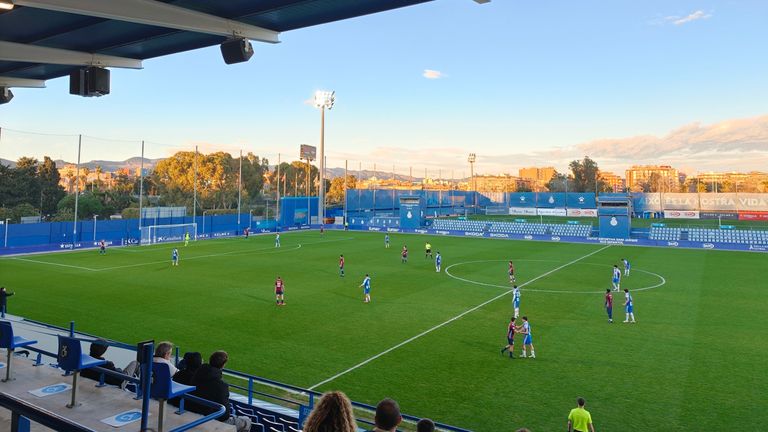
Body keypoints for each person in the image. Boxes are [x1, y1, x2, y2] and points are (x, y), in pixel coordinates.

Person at [189, 351, 252, 432]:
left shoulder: (197, 374)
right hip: (211, 417)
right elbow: (225, 416)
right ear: (223, 365)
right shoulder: (222, 385)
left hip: (196, 411)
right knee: (247, 421)